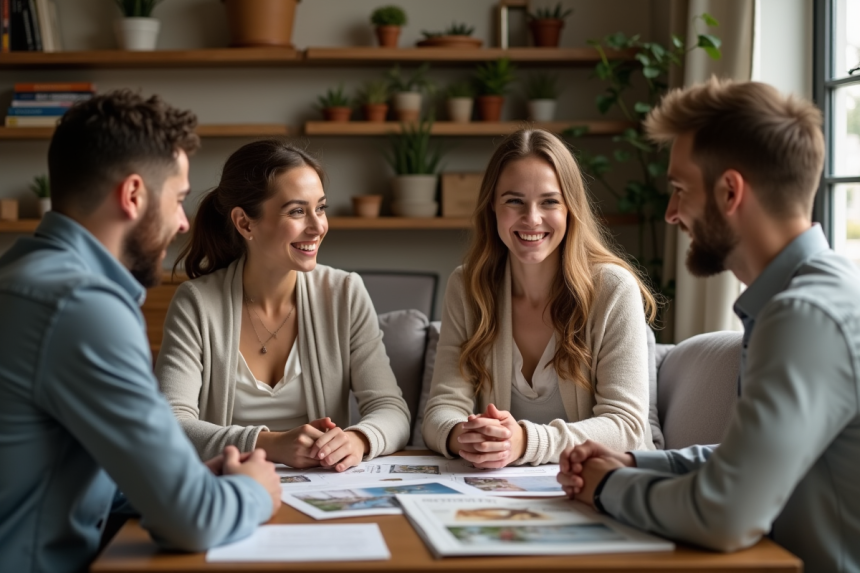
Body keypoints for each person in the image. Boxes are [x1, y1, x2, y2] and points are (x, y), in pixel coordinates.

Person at [557, 78, 860, 573]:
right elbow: (753, 460)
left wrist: (607, 487)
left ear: (730, 191)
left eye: (679, 190)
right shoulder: (799, 299)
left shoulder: (803, 315)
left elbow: (726, 513)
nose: (672, 214)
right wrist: (638, 463)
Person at [0, 90, 282, 573]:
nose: (182, 222)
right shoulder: (82, 306)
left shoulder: (21, 275)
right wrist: (254, 490)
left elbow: (53, 466)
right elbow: (192, 521)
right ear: (133, 195)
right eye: (176, 198)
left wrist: (188, 478)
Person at [156, 139, 410, 472]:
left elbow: (391, 408)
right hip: (229, 486)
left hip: (325, 488)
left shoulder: (345, 292)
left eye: (320, 208)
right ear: (245, 223)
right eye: (297, 211)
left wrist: (358, 439)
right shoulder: (197, 303)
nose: (318, 226)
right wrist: (271, 444)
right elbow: (169, 423)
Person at [421, 128, 658, 468]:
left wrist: (524, 441)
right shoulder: (467, 286)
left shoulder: (613, 288)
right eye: (514, 201)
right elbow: (442, 408)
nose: (532, 219)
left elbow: (627, 426)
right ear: (493, 206)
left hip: (602, 483)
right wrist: (466, 435)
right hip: (502, 488)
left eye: (549, 201)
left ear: (570, 208)